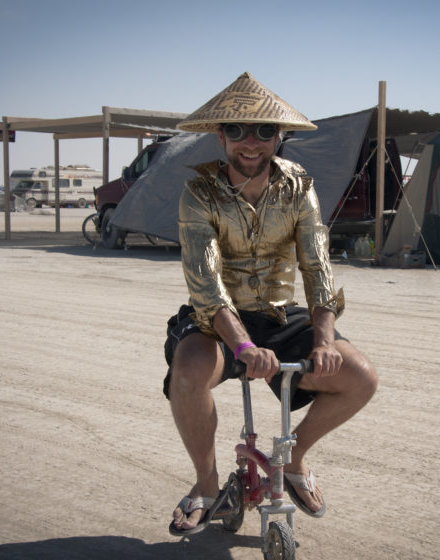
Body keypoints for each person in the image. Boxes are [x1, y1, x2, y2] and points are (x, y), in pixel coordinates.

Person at [164, 72, 378, 536]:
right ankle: (206, 485)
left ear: (279, 136)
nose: (250, 142)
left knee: (360, 376)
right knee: (188, 371)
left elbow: (317, 268)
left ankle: (293, 460)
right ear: (220, 136)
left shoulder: (299, 187)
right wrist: (243, 348)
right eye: (237, 130)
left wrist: (324, 340)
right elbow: (206, 284)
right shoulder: (198, 193)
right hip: (217, 320)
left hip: (281, 313)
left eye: (264, 130)